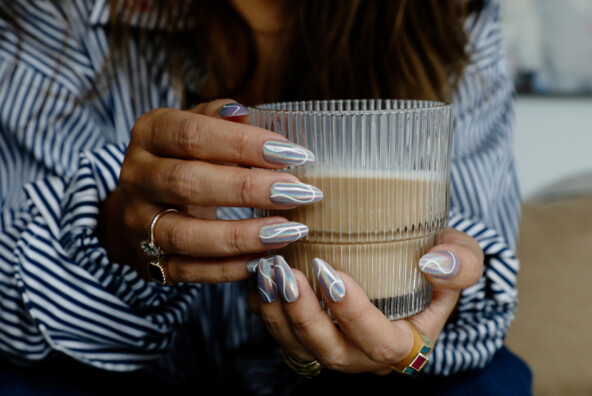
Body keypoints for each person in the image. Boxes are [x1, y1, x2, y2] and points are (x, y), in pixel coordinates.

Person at [0, 0, 532, 394]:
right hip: (136, 372)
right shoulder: (63, 14)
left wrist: (426, 317)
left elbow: (467, 259)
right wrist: (115, 231)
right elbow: (14, 296)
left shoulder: (447, 13)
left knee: (490, 380)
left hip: (362, 381)